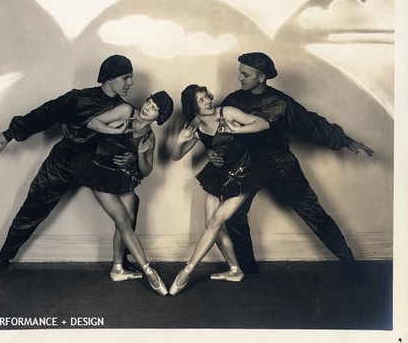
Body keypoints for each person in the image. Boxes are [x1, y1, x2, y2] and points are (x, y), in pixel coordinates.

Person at [212, 52, 374, 281]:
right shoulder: (233, 101)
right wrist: (213, 152)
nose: (240, 77)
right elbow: (217, 133)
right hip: (247, 166)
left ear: (261, 77)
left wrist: (346, 142)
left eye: (245, 74)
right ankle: (248, 269)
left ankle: (351, 265)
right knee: (235, 215)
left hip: (281, 166)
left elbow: (312, 124)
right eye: (240, 72)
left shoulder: (281, 103)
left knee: (315, 214)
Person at [0, 55, 140, 277]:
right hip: (63, 163)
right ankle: (3, 258)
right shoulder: (78, 99)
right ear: (110, 78)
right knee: (32, 208)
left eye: (131, 77)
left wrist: (132, 157)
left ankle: (121, 262)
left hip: (97, 166)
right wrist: (10, 134)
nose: (130, 83)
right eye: (126, 77)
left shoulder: (125, 109)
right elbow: (45, 113)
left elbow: (135, 139)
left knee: (131, 203)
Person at [168, 84, 270, 296]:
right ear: (192, 107)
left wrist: (237, 129)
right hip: (219, 176)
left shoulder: (227, 112)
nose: (207, 101)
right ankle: (234, 269)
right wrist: (180, 140)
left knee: (216, 222)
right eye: (201, 100)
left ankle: (187, 271)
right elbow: (176, 156)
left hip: (244, 173)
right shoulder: (195, 126)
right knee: (210, 223)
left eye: (206, 96)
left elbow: (263, 123)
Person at [72, 91, 174, 295]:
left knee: (128, 217)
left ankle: (118, 268)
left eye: (154, 108)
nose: (148, 108)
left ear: (159, 118)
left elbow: (146, 171)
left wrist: (137, 156)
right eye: (149, 102)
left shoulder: (149, 137)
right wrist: (116, 132)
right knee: (124, 222)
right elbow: (92, 123)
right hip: (99, 172)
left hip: (122, 178)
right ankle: (148, 270)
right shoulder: (126, 111)